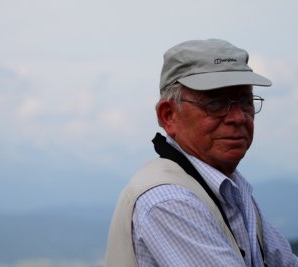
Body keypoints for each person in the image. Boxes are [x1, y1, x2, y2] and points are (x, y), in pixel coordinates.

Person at [104, 39, 298, 267]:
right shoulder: (169, 200)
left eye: (245, 102)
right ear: (169, 115)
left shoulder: (228, 188)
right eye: (215, 103)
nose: (238, 117)